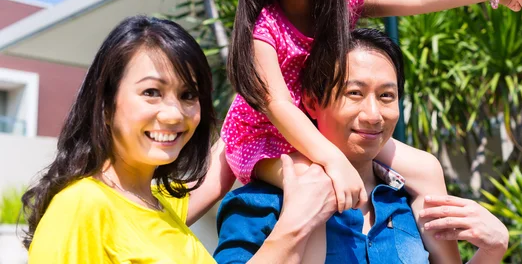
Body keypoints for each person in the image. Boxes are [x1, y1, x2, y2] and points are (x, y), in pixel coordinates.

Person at [192, 0, 522, 261]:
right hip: (269, 136)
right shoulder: (263, 28)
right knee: (314, 186)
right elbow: (278, 105)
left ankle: (443, 250)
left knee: (424, 167)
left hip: (322, 121)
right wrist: (333, 160)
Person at [21, 16, 322, 263]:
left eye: (188, 95)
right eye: (151, 92)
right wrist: (295, 224)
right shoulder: (81, 207)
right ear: (106, 105)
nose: (173, 114)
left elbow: (224, 157)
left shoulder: (160, 204)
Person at [213, 28, 509, 264]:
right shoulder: (261, 205)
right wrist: (295, 223)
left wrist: (493, 249)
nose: (373, 115)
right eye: (354, 93)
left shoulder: (410, 201)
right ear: (312, 103)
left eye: (386, 96)